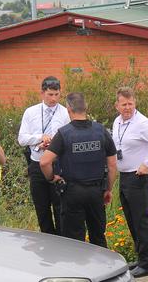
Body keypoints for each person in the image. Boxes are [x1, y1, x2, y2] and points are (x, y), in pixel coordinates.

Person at [40, 92, 117, 247]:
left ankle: (79, 271)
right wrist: (108, 189)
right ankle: (103, 269)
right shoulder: (101, 130)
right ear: (86, 107)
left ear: (68, 109)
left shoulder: (63, 133)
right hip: (96, 192)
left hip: (72, 193)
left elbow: (44, 162)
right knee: (98, 236)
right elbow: (112, 165)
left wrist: (51, 178)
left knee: (74, 242)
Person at [112, 87, 148, 278]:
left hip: (139, 177)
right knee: (131, 219)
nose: (127, 107)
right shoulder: (117, 122)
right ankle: (140, 258)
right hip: (125, 177)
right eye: (124, 104)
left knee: (141, 220)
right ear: (117, 105)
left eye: (131, 103)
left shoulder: (142, 123)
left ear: (135, 103)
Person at [18, 76, 70, 235]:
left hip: (57, 165)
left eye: (57, 94)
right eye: (50, 95)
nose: (54, 98)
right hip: (36, 164)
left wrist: (54, 144)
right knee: (42, 208)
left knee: (60, 207)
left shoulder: (65, 113)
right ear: (42, 93)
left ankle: (62, 244)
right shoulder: (31, 112)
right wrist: (39, 138)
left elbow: (69, 138)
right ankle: (48, 244)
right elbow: (22, 139)